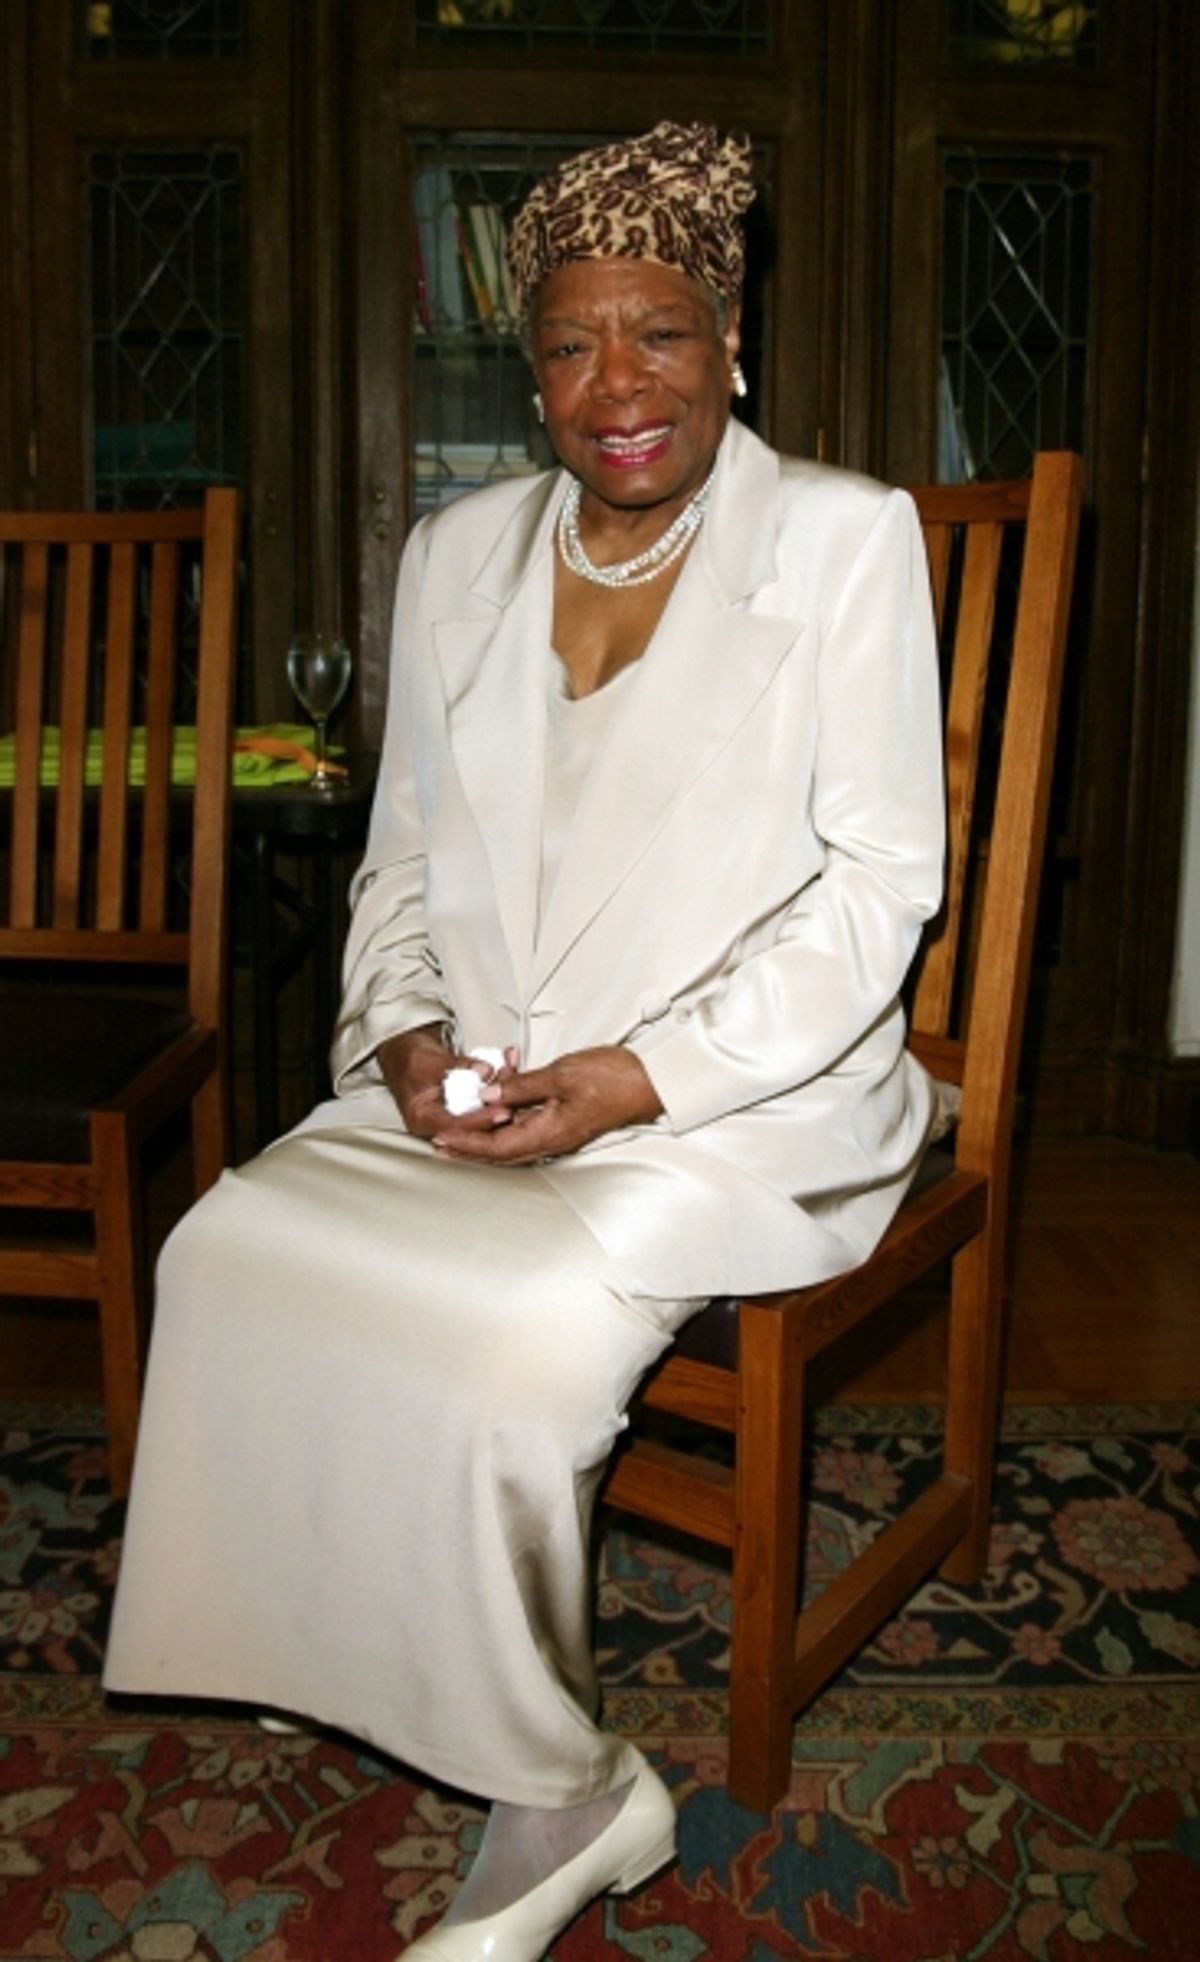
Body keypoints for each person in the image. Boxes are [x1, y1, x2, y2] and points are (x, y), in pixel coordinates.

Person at [103, 122, 945, 1962]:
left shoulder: (847, 539)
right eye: (567, 344)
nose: (612, 385)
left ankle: (567, 1786)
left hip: (741, 1099)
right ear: (526, 364)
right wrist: (402, 1031)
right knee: (230, 1244)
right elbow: (402, 854)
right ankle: (325, 1627)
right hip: (485, 1068)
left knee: (511, 1336)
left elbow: (881, 894)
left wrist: (640, 1080)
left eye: (657, 332)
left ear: (734, 337)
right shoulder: (457, 550)